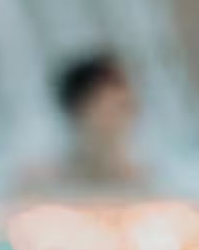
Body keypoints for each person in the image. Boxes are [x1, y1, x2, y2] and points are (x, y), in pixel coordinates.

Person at [52, 51, 140, 185]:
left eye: (128, 106)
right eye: (117, 107)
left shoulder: (145, 183)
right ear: (79, 108)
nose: (130, 116)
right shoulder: (43, 181)